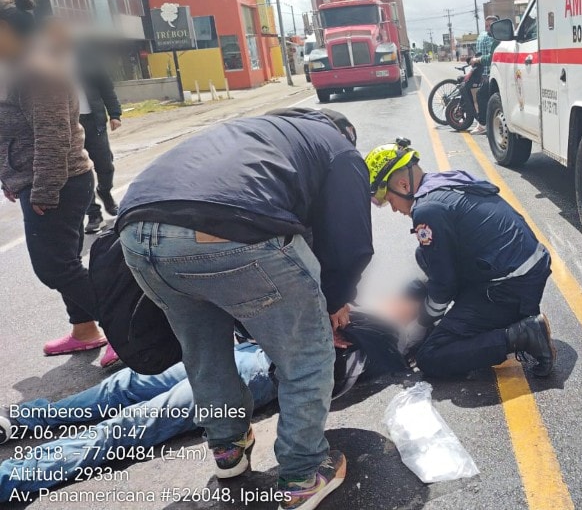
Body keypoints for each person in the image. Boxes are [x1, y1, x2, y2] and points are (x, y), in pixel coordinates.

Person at [115, 107, 372, 510]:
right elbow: (350, 242)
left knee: (204, 353)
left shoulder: (258, 132)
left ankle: (227, 449)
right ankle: (303, 473)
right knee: (306, 354)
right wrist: (336, 299)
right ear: (345, 131)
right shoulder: (339, 149)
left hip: (135, 233)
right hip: (224, 231)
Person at [0, 295, 420, 502]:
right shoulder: (357, 311)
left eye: (407, 305)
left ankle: (13, 477)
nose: (397, 300)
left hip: (252, 372)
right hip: (241, 348)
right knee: (123, 386)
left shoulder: (370, 344)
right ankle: (20, 421)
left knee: (133, 425)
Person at [364, 138, 557, 378]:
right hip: (523, 268)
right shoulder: (443, 183)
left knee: (431, 355)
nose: (394, 209)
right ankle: (491, 321)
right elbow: (439, 264)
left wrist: (422, 324)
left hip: (510, 287)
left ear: (403, 185)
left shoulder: (427, 210)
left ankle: (524, 334)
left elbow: (444, 286)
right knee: (423, 256)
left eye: (390, 200)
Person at [0, 0, 117, 366]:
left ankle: (127, 330)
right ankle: (85, 330)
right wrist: (10, 177)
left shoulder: (37, 71)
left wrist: (44, 189)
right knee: (65, 260)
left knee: (54, 266)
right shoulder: (17, 68)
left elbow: (52, 136)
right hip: (42, 179)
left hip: (59, 181)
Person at [77, 46, 123, 234]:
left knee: (105, 165)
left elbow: (106, 86)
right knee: (80, 170)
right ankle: (93, 214)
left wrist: (115, 114)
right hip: (67, 125)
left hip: (93, 120)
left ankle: (104, 191)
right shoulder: (48, 60)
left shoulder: (86, 55)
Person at [465, 15, 500, 135]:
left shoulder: (495, 39)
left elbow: (490, 58)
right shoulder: (493, 37)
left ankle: (483, 124)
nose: (487, 28)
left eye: (490, 26)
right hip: (492, 72)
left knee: (481, 95)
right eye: (486, 26)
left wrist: (477, 60)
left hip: (494, 73)